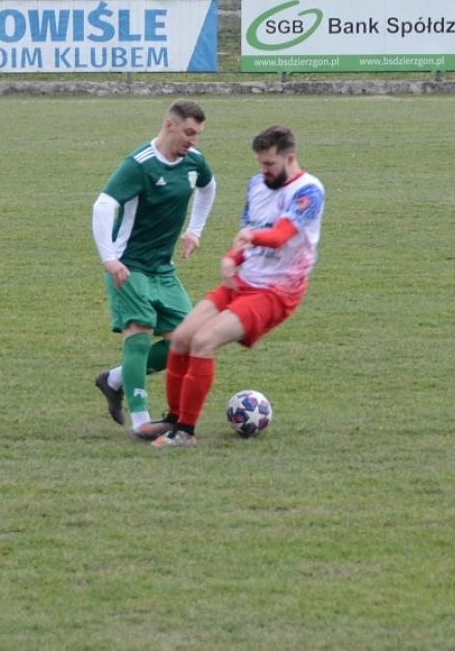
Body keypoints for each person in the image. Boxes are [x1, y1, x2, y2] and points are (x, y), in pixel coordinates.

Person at [154, 125, 324, 448]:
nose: (263, 170)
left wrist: (250, 237)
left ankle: (186, 432)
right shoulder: (257, 185)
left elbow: (280, 236)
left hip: (275, 293)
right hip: (241, 282)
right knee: (181, 338)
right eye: (260, 163)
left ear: (290, 158)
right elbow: (247, 234)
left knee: (203, 341)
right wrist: (232, 257)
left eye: (270, 164)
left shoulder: (309, 191)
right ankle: (173, 419)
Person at [92, 99, 217, 439]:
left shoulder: (194, 162)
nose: (193, 140)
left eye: (198, 134)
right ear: (169, 125)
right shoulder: (140, 164)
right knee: (140, 332)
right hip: (128, 264)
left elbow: (208, 187)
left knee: (187, 340)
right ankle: (141, 421)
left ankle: (114, 380)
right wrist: (109, 259)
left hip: (163, 269)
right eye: (189, 132)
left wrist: (195, 230)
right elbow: (103, 206)